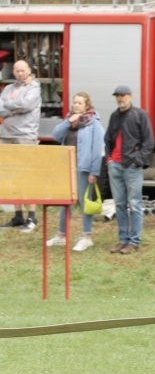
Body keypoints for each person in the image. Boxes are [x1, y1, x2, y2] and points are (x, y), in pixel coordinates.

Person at [46, 92, 104, 252]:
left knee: (85, 202)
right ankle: (62, 235)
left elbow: (97, 150)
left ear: (87, 106)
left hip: (84, 167)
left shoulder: (94, 125)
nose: (76, 105)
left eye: (79, 103)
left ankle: (86, 236)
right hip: (68, 167)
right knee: (65, 201)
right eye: (74, 103)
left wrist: (94, 172)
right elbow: (56, 135)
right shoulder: (69, 121)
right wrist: (67, 122)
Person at [105, 85, 155, 254]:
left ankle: (134, 241)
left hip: (132, 167)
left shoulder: (140, 115)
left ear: (131, 97)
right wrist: (109, 159)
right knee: (119, 204)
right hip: (116, 165)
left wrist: (137, 160)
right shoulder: (114, 116)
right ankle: (123, 240)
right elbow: (108, 139)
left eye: (124, 95)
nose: (120, 99)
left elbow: (149, 142)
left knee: (134, 204)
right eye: (118, 96)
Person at [0, 60, 42, 232]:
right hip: (6, 136)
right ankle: (18, 216)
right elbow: (1, 109)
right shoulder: (8, 89)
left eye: (23, 70)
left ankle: (32, 216)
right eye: (17, 71)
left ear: (29, 70)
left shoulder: (34, 88)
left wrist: (9, 108)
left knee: (29, 177)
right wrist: (15, 109)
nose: (19, 73)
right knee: (12, 176)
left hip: (25, 136)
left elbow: (27, 105)